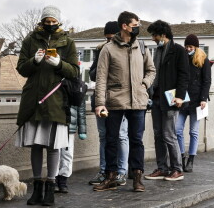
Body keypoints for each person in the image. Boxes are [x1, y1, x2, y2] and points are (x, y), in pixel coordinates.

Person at [16, 6, 79, 206]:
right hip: (34, 99)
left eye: (54, 21)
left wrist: (59, 63)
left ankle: (51, 187)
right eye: (47, 21)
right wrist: (34, 61)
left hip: (56, 100)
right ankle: (37, 189)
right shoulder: (30, 40)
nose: (50, 24)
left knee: (53, 146)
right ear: (42, 21)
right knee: (36, 145)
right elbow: (21, 69)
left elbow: (75, 72)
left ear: (58, 22)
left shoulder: (68, 43)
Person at [94, 11, 156, 193]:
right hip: (115, 101)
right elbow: (101, 78)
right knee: (111, 140)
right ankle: (111, 177)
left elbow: (151, 70)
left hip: (138, 101)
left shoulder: (141, 46)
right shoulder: (108, 49)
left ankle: (137, 178)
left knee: (136, 140)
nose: (137, 28)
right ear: (124, 26)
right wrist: (99, 103)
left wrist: (144, 84)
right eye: (135, 25)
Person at [143, 20, 189, 182]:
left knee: (169, 135)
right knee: (158, 135)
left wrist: (180, 97)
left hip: (170, 99)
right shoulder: (159, 50)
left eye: (154, 35)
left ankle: (177, 169)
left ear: (163, 35)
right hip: (156, 98)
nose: (153, 38)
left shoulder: (178, 51)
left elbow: (184, 76)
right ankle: (162, 168)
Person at [88, 21, 129, 186]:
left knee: (121, 135)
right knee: (104, 135)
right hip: (102, 101)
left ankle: (121, 172)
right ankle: (104, 170)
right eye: (106, 39)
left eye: (111, 38)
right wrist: (101, 66)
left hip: (119, 101)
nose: (108, 41)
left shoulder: (126, 50)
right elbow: (92, 74)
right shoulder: (101, 51)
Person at [176, 34, 211, 173]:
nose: (188, 49)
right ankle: (181, 156)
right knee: (177, 129)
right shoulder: (182, 58)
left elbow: (207, 81)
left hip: (197, 101)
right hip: (183, 99)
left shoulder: (203, 60)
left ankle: (191, 159)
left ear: (196, 47)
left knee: (194, 132)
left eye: (190, 47)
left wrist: (203, 98)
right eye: (187, 46)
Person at [55, 100, 87, 193]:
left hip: (69, 127)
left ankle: (63, 180)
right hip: (56, 123)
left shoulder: (77, 86)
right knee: (55, 153)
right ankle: (54, 179)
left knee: (67, 154)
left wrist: (82, 130)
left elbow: (81, 110)